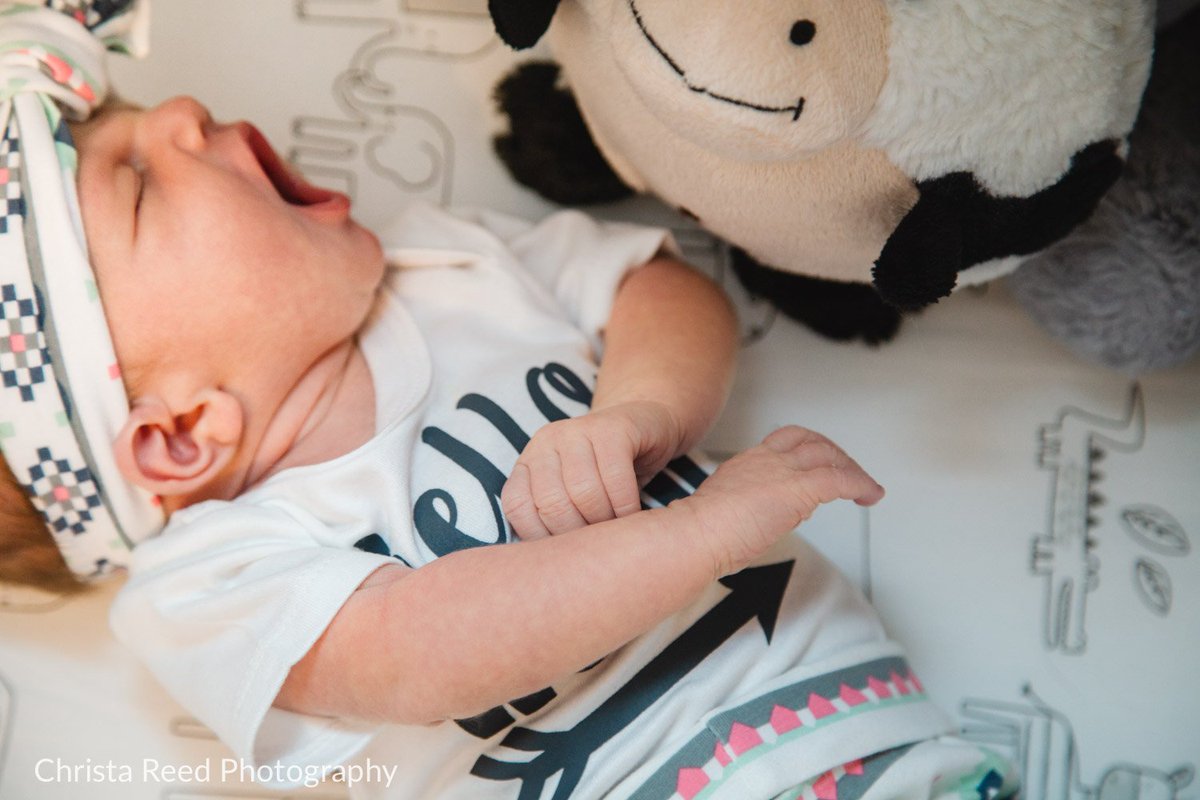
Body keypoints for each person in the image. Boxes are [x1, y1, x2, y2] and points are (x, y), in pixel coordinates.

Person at [0, 2, 1018, 798]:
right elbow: (418, 651)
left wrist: (641, 409)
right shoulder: (205, 576)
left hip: (859, 729)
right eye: (137, 182)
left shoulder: (442, 259)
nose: (181, 113)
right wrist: (699, 532)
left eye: (136, 122)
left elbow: (657, 287)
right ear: (179, 435)